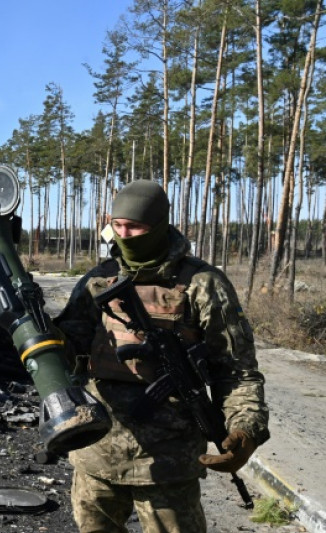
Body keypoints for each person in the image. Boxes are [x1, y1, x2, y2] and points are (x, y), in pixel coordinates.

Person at [54, 179, 269, 533]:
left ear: (159, 226)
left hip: (169, 460)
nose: (124, 234)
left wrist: (245, 427)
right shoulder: (97, 282)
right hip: (96, 454)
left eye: (135, 226)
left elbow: (237, 371)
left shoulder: (203, 284)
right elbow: (65, 351)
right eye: (117, 226)